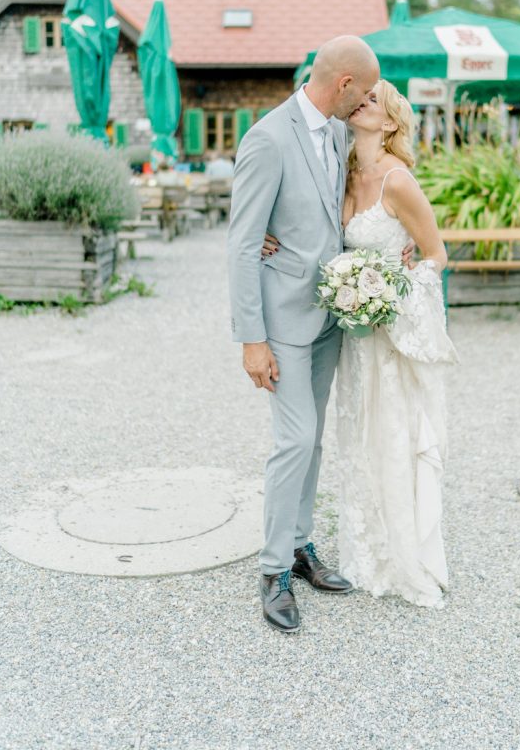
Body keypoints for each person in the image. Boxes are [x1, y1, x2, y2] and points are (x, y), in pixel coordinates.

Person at [227, 35, 381, 633]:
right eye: (363, 92)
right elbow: (243, 241)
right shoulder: (267, 136)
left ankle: (298, 544)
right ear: (342, 84)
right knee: (293, 441)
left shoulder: (341, 133)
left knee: (313, 438)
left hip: (330, 317)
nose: (366, 102)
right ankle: (272, 572)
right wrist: (251, 339)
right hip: (282, 321)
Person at [335, 80, 458, 608]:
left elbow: (436, 255)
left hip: (389, 332)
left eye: (372, 101)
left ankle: (403, 555)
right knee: (359, 434)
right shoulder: (341, 169)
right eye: (358, 98)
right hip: (353, 338)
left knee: (393, 433)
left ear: (389, 123)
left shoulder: (397, 181)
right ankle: (366, 548)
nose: (361, 102)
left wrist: (390, 294)